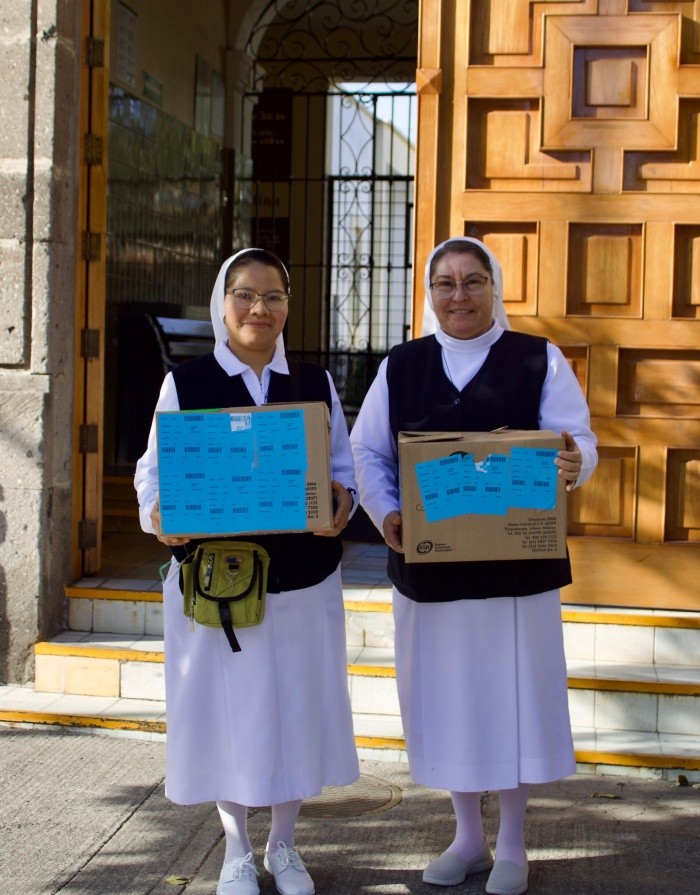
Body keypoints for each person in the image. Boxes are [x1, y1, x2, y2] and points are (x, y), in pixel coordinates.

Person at [350, 237, 597, 895]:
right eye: (446, 283)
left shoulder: (537, 358)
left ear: (495, 288)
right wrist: (386, 511)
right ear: (430, 293)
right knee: (451, 699)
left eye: (472, 281)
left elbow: (577, 440)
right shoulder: (401, 365)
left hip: (517, 573)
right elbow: (367, 452)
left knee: (513, 699)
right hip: (432, 570)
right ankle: (467, 837)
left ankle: (512, 842)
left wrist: (577, 462)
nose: (459, 295)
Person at [135, 248, 360, 895]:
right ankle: (236, 849)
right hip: (219, 587)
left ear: (288, 306)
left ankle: (284, 844)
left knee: (295, 712)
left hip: (302, 583)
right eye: (245, 294)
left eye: (273, 296)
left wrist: (341, 504)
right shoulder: (186, 383)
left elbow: (341, 472)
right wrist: (160, 515)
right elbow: (153, 474)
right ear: (222, 303)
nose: (259, 308)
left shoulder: (313, 382)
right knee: (225, 717)